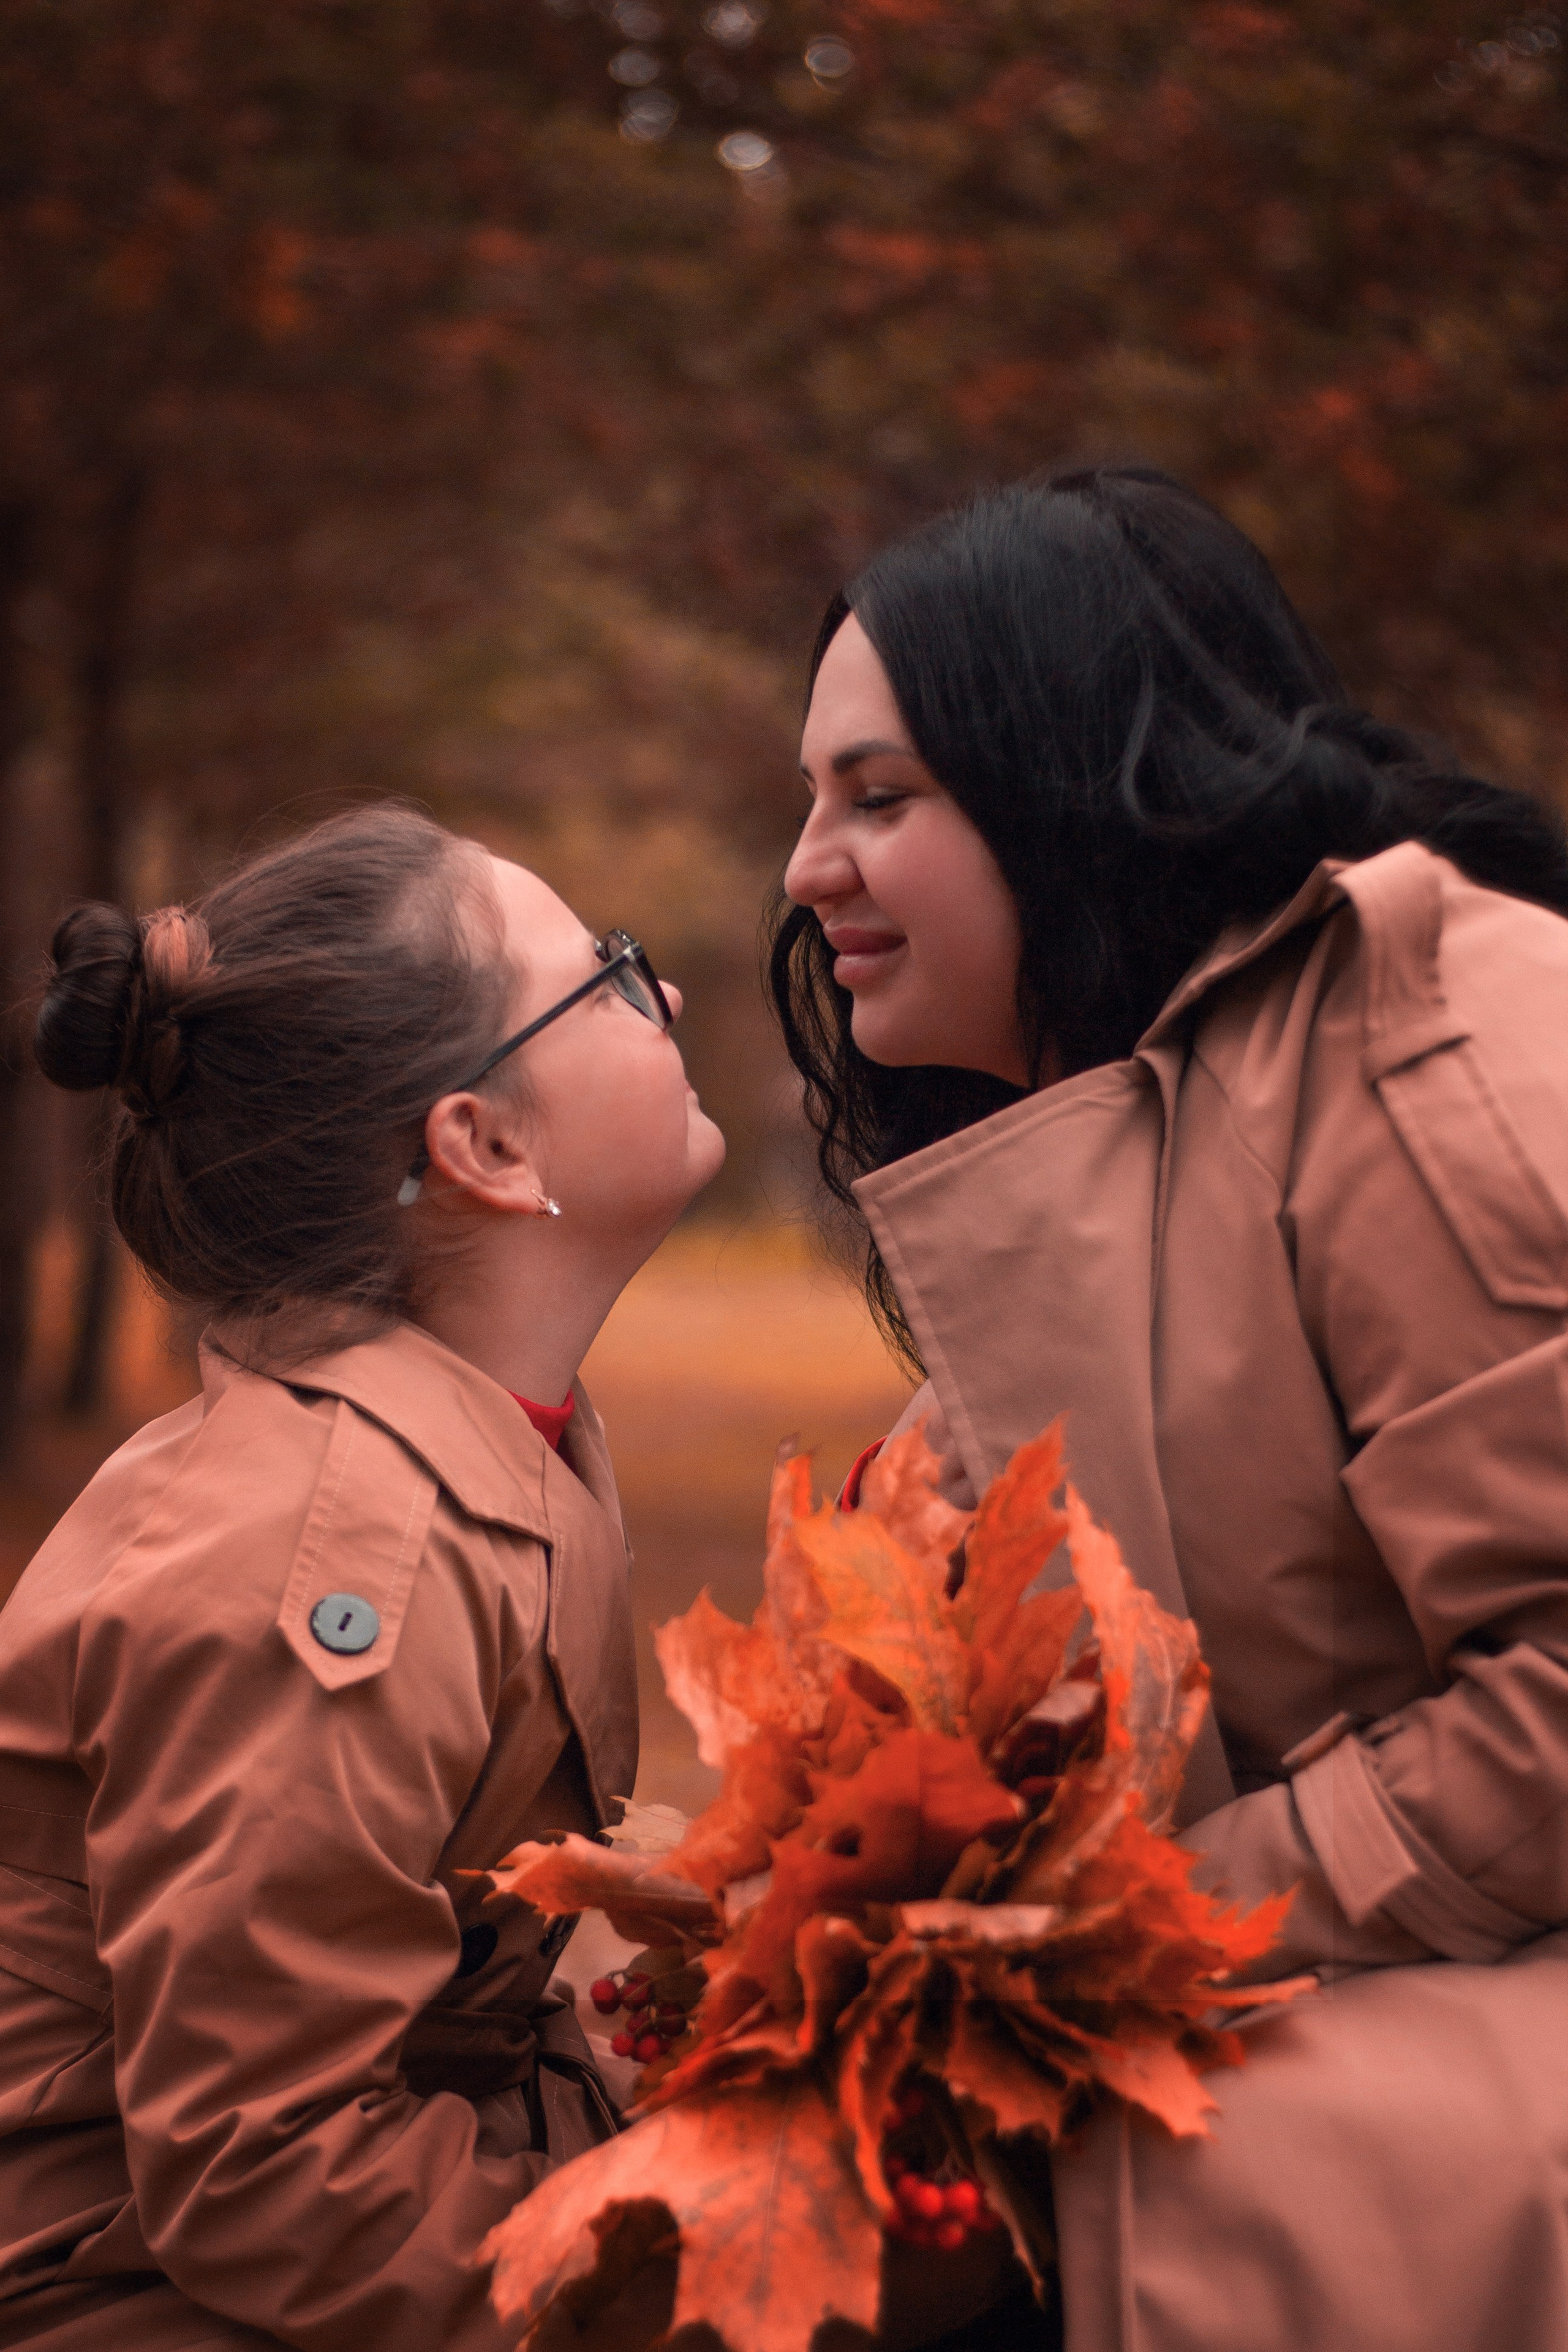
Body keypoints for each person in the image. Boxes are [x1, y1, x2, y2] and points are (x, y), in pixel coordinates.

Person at [772, 467, 1568, 2352]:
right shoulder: (1132, 1123)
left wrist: (1110, 1930)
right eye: (810, 802)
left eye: (879, 798)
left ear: (1071, 774)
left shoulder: (1421, 1043)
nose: (808, 870)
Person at [0, 804, 725, 2350]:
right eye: (605, 973)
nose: (664, 997)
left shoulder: (477, 1450)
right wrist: (716, 2243)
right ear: (482, 1143)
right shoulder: (327, 1560)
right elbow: (270, 2180)